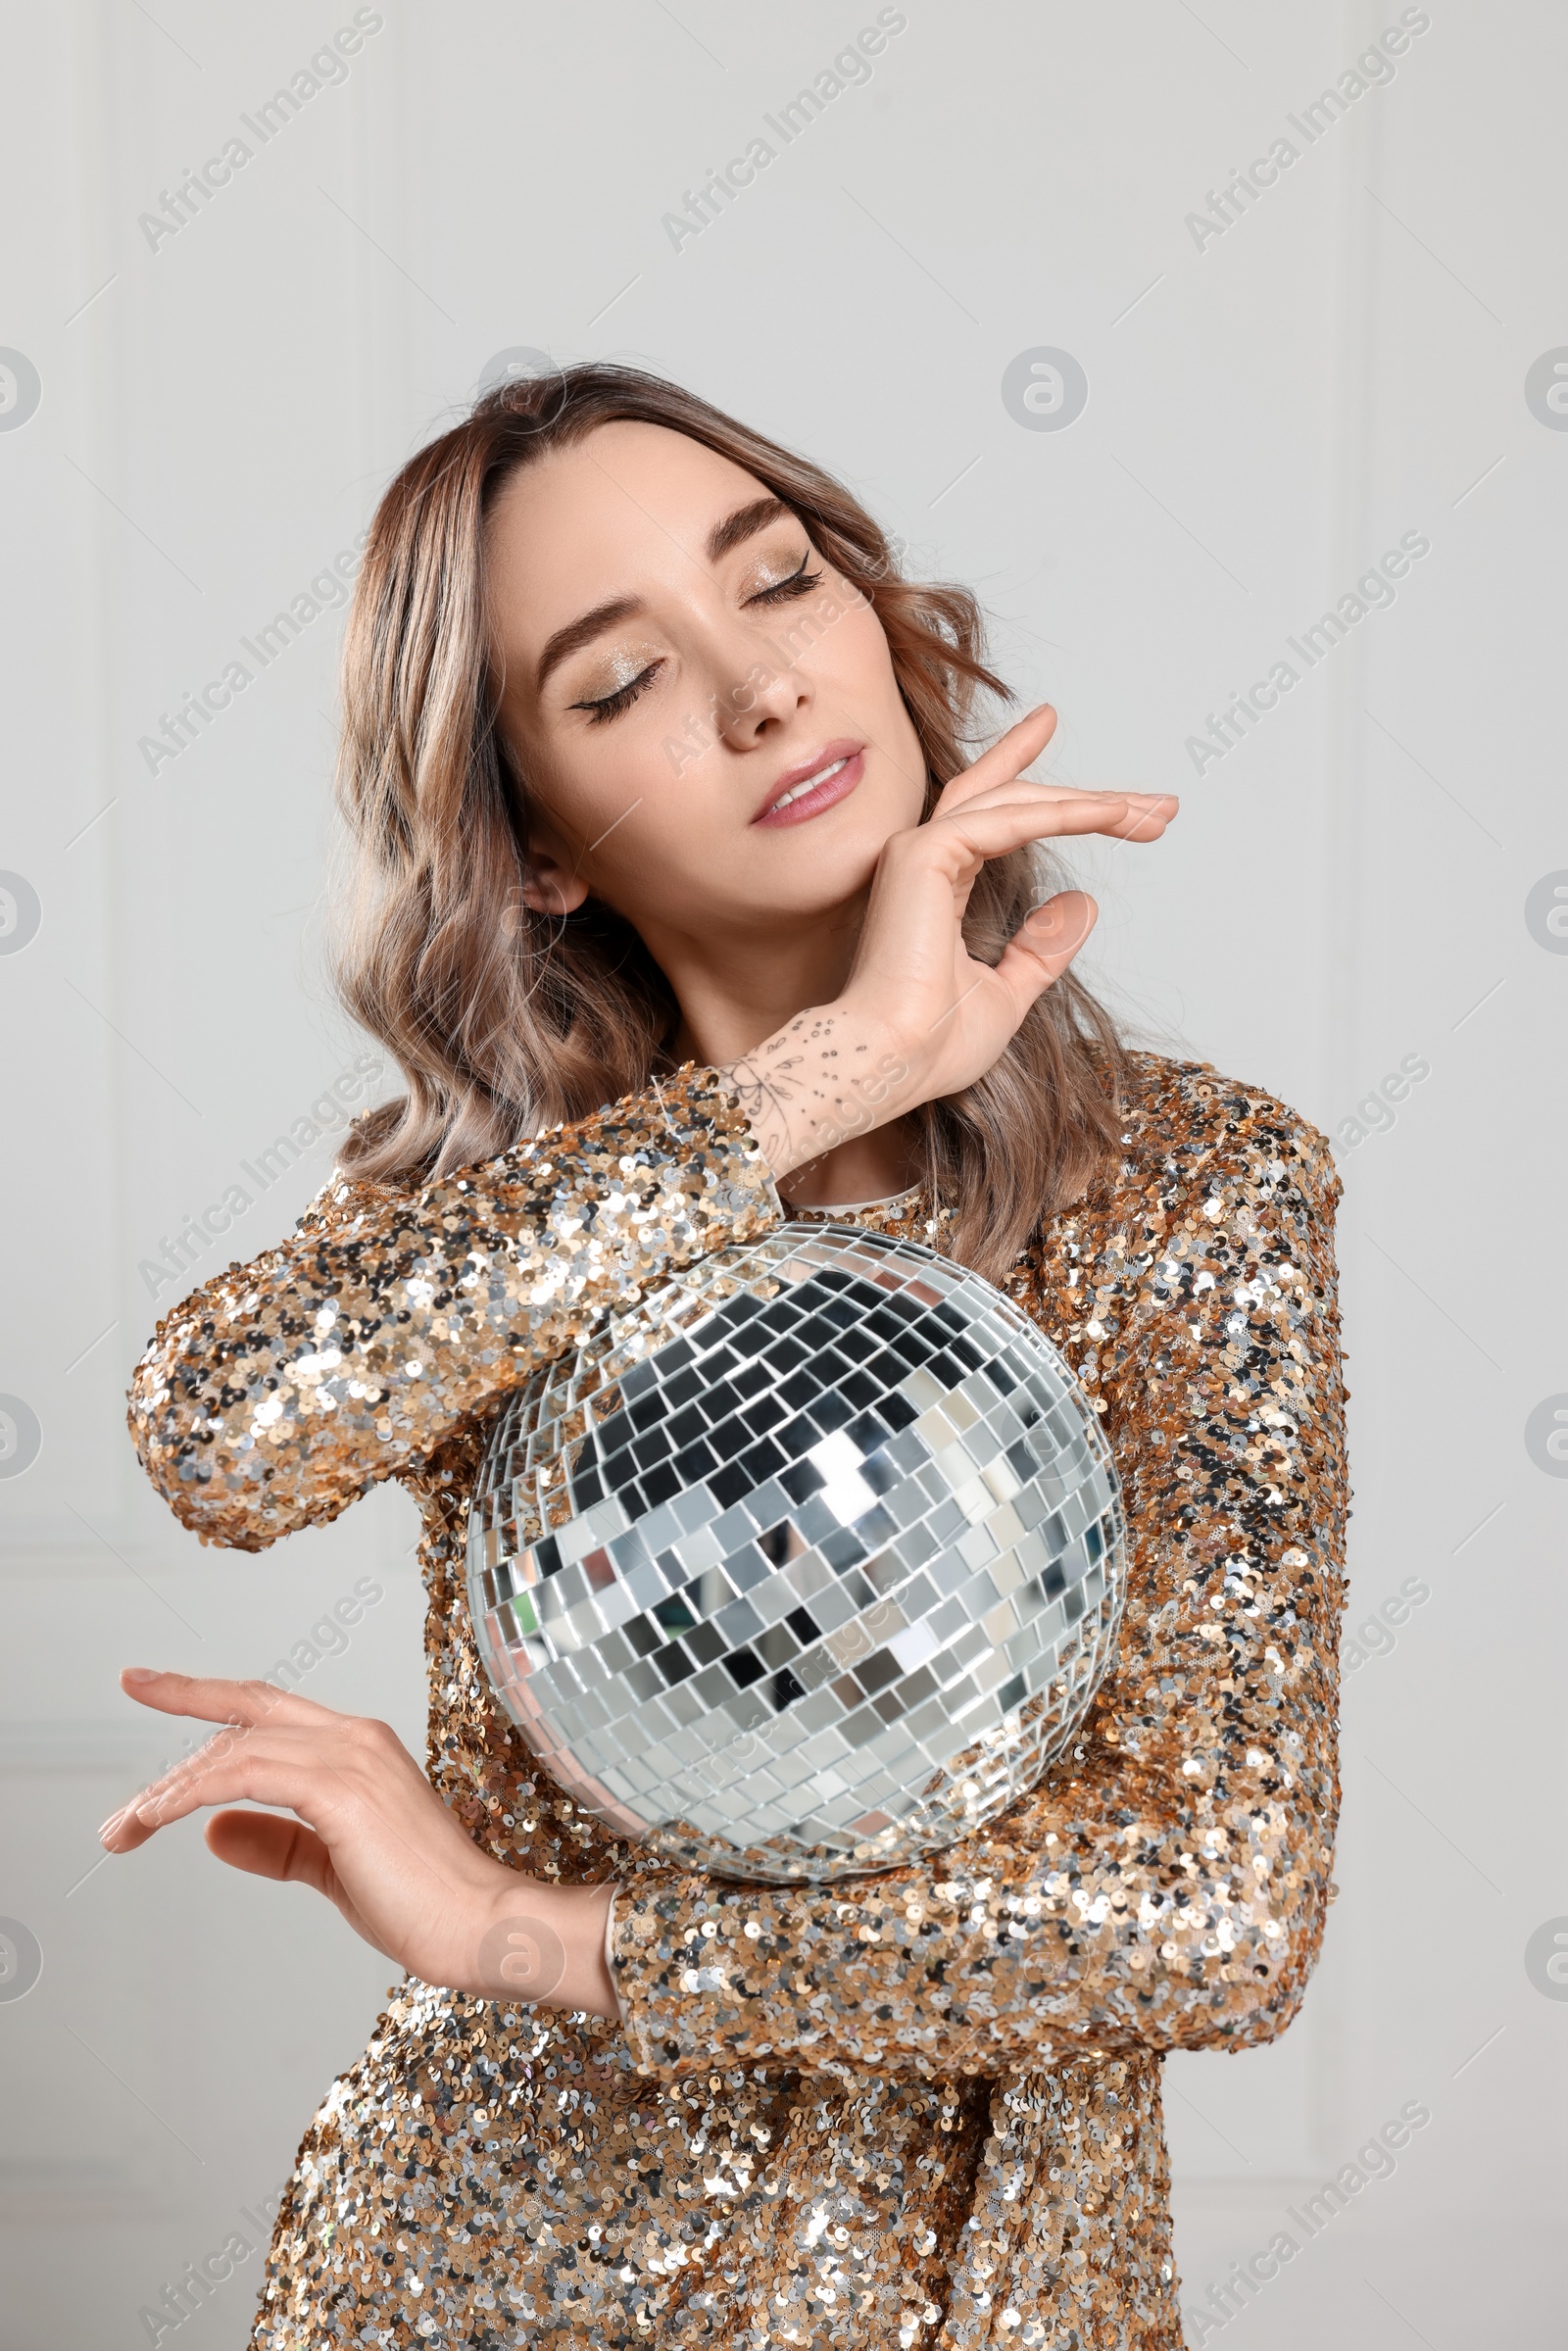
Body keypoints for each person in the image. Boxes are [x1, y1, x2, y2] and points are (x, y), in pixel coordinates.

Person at [110, 366, 1348, 2349]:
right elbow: (217, 1432)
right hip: (488, 2277)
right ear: (531, 851)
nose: (759, 689)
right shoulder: (515, 1221)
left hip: (994, 2292)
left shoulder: (1194, 1189)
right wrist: (811, 1083)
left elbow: (1205, 1913)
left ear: (869, 621)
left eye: (773, 585)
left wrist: (531, 1931)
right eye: (614, 688)